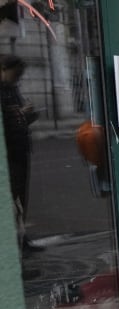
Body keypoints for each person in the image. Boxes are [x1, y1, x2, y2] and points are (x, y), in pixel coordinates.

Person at [0, 54, 40, 252]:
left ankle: (21, 239)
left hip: (19, 148)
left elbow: (18, 119)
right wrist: (21, 114)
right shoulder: (3, 90)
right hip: (9, 151)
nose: (18, 78)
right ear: (4, 69)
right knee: (11, 198)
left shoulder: (12, 89)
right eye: (16, 74)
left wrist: (28, 115)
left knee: (21, 198)